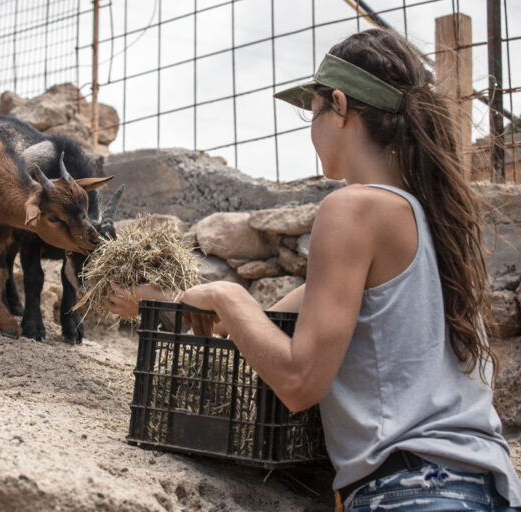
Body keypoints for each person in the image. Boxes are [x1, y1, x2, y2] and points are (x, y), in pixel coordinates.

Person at [104, 29, 521, 511]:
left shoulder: (353, 209)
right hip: (485, 488)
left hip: (413, 495)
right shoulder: (431, 220)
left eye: (312, 110)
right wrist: (164, 302)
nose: (311, 128)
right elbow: (268, 326)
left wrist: (226, 295)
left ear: (339, 107)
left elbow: (300, 380)